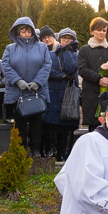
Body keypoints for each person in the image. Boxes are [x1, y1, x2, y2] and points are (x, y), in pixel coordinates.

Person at [2, 17, 51, 157]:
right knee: (20, 124)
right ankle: (21, 150)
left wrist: (37, 82)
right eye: (23, 31)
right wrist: (18, 81)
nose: (26, 34)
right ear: (18, 32)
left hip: (37, 92)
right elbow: (6, 66)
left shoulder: (42, 47)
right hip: (18, 92)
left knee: (37, 124)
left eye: (28, 31)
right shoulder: (10, 48)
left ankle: (36, 150)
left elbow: (47, 65)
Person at [78, 17, 108, 133]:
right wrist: (99, 79)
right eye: (99, 30)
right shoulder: (84, 50)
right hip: (91, 92)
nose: (102, 33)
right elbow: (82, 69)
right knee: (94, 127)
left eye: (104, 30)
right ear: (92, 31)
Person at [42, 28, 80, 160]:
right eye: (64, 38)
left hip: (69, 95)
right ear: (60, 39)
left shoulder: (76, 54)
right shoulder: (51, 54)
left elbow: (71, 68)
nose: (67, 40)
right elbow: (48, 71)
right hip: (53, 93)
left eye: (70, 38)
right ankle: (50, 151)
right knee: (51, 123)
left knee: (67, 124)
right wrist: (63, 75)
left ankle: (65, 153)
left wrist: (67, 51)